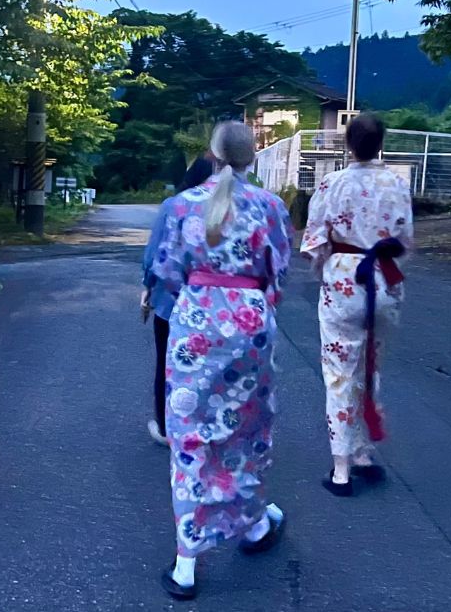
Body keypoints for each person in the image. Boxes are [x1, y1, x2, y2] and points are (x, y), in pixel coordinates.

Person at [151, 121, 293, 600]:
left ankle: (187, 563)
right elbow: (280, 272)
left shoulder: (180, 207)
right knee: (246, 429)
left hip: (196, 323)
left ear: (211, 153)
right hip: (251, 325)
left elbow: (167, 274)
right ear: (252, 157)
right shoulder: (271, 206)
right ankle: (250, 525)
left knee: (192, 434)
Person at [301, 113, 413, 497]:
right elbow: (405, 241)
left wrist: (324, 266)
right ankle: (364, 452)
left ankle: (342, 468)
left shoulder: (333, 183)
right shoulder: (396, 184)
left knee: (339, 372)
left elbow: (314, 242)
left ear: (348, 143)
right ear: (381, 142)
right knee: (371, 365)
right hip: (381, 280)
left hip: (344, 280)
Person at [140, 155, 215, 445]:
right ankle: (205, 423)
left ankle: (166, 426)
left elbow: (155, 253)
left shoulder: (175, 205)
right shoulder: (235, 205)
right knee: (207, 364)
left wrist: (147, 287)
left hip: (171, 299)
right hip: (216, 303)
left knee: (168, 363)